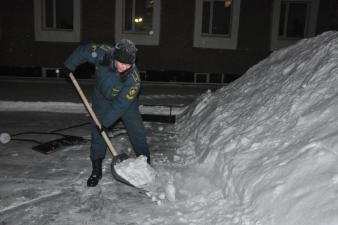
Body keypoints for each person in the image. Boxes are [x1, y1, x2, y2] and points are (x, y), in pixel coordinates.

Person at [64, 39, 150, 187]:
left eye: (128, 64)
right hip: (101, 97)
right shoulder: (103, 54)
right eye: (121, 62)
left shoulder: (134, 80)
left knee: (137, 130)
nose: (124, 67)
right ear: (114, 57)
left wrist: (106, 122)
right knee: (98, 132)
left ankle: (145, 164)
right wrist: (70, 64)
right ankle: (96, 170)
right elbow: (85, 50)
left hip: (126, 103)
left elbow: (120, 105)